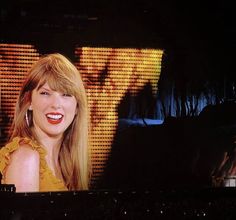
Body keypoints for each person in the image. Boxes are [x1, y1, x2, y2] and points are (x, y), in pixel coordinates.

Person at [0, 53, 90, 192]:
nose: (56, 104)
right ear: (28, 101)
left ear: (77, 107)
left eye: (66, 94)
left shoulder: (67, 165)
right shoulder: (26, 158)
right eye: (45, 93)